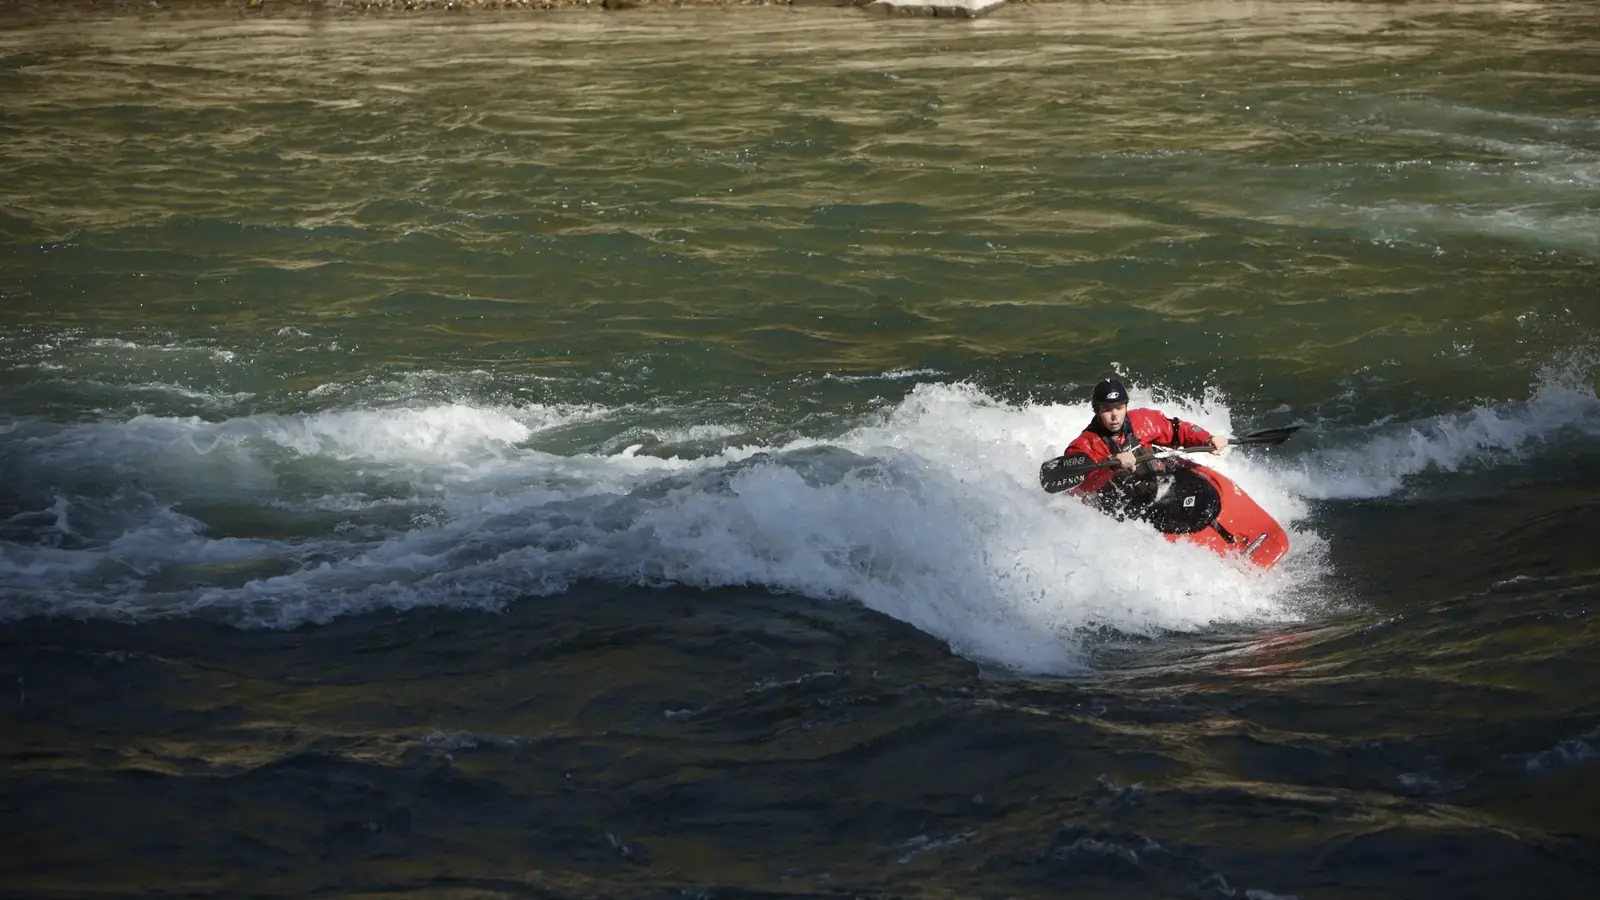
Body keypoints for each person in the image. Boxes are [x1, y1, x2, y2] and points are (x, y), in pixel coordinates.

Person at [1063, 378, 1228, 514]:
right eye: (1107, 409)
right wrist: (1111, 464)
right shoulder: (1084, 445)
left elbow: (1177, 430)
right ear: (1096, 410)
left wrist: (1207, 439)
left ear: (1126, 406)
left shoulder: (1143, 421)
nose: (1114, 416)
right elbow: (1079, 489)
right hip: (1126, 509)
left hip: (1158, 487)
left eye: (1119, 408)